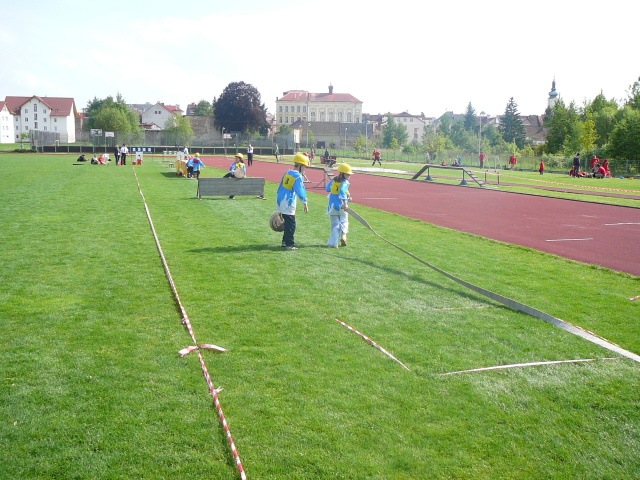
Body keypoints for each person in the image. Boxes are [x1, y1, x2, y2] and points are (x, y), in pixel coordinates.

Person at [276, 153, 309, 250]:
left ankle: (285, 241)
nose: (305, 169)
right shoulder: (298, 176)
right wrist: (305, 203)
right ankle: (289, 244)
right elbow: (300, 191)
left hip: (281, 200)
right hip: (288, 201)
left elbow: (280, 186)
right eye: (305, 166)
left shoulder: (287, 173)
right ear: (300, 165)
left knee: (287, 223)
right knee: (291, 224)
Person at [326, 163, 353, 248]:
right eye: (348, 174)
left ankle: (334, 243)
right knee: (344, 221)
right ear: (343, 173)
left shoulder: (333, 181)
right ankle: (344, 235)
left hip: (332, 206)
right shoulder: (345, 182)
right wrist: (345, 203)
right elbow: (342, 191)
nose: (349, 176)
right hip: (342, 206)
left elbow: (327, 189)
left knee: (335, 224)